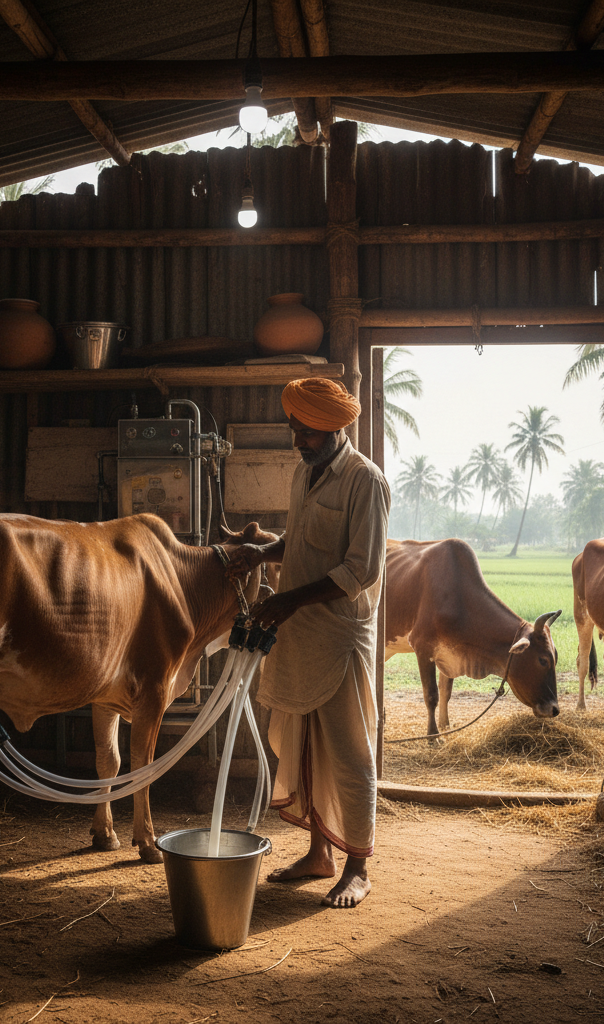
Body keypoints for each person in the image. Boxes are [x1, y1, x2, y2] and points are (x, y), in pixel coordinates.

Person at [225, 376, 390, 908]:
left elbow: (360, 570)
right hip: (300, 635)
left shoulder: (365, 482)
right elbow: (298, 544)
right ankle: (320, 854)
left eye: (307, 429)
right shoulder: (305, 473)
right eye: (295, 427)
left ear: (336, 426)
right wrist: (261, 554)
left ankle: (358, 866)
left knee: (349, 753)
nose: (298, 437)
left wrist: (290, 600)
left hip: (339, 639)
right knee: (303, 745)